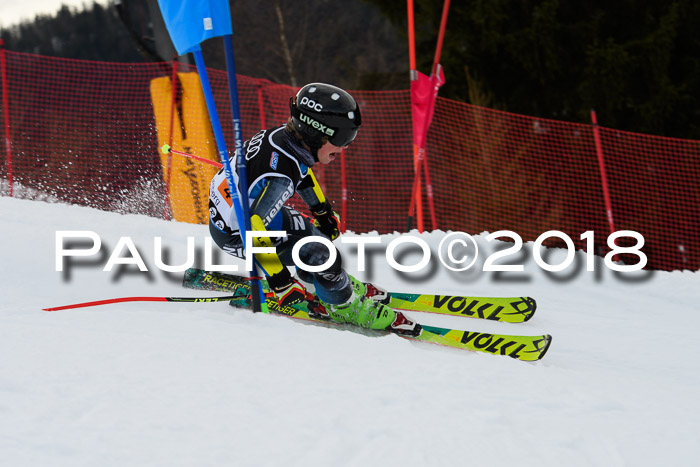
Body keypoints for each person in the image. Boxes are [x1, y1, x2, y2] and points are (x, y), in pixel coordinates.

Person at [208, 82, 420, 336]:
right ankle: (344, 307)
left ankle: (325, 281)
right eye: (342, 139)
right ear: (315, 132)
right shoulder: (280, 177)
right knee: (322, 254)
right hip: (238, 234)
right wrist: (279, 279)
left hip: (251, 217)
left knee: (314, 235)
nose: (344, 148)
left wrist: (321, 210)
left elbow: (302, 172)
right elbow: (254, 226)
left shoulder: (282, 139)